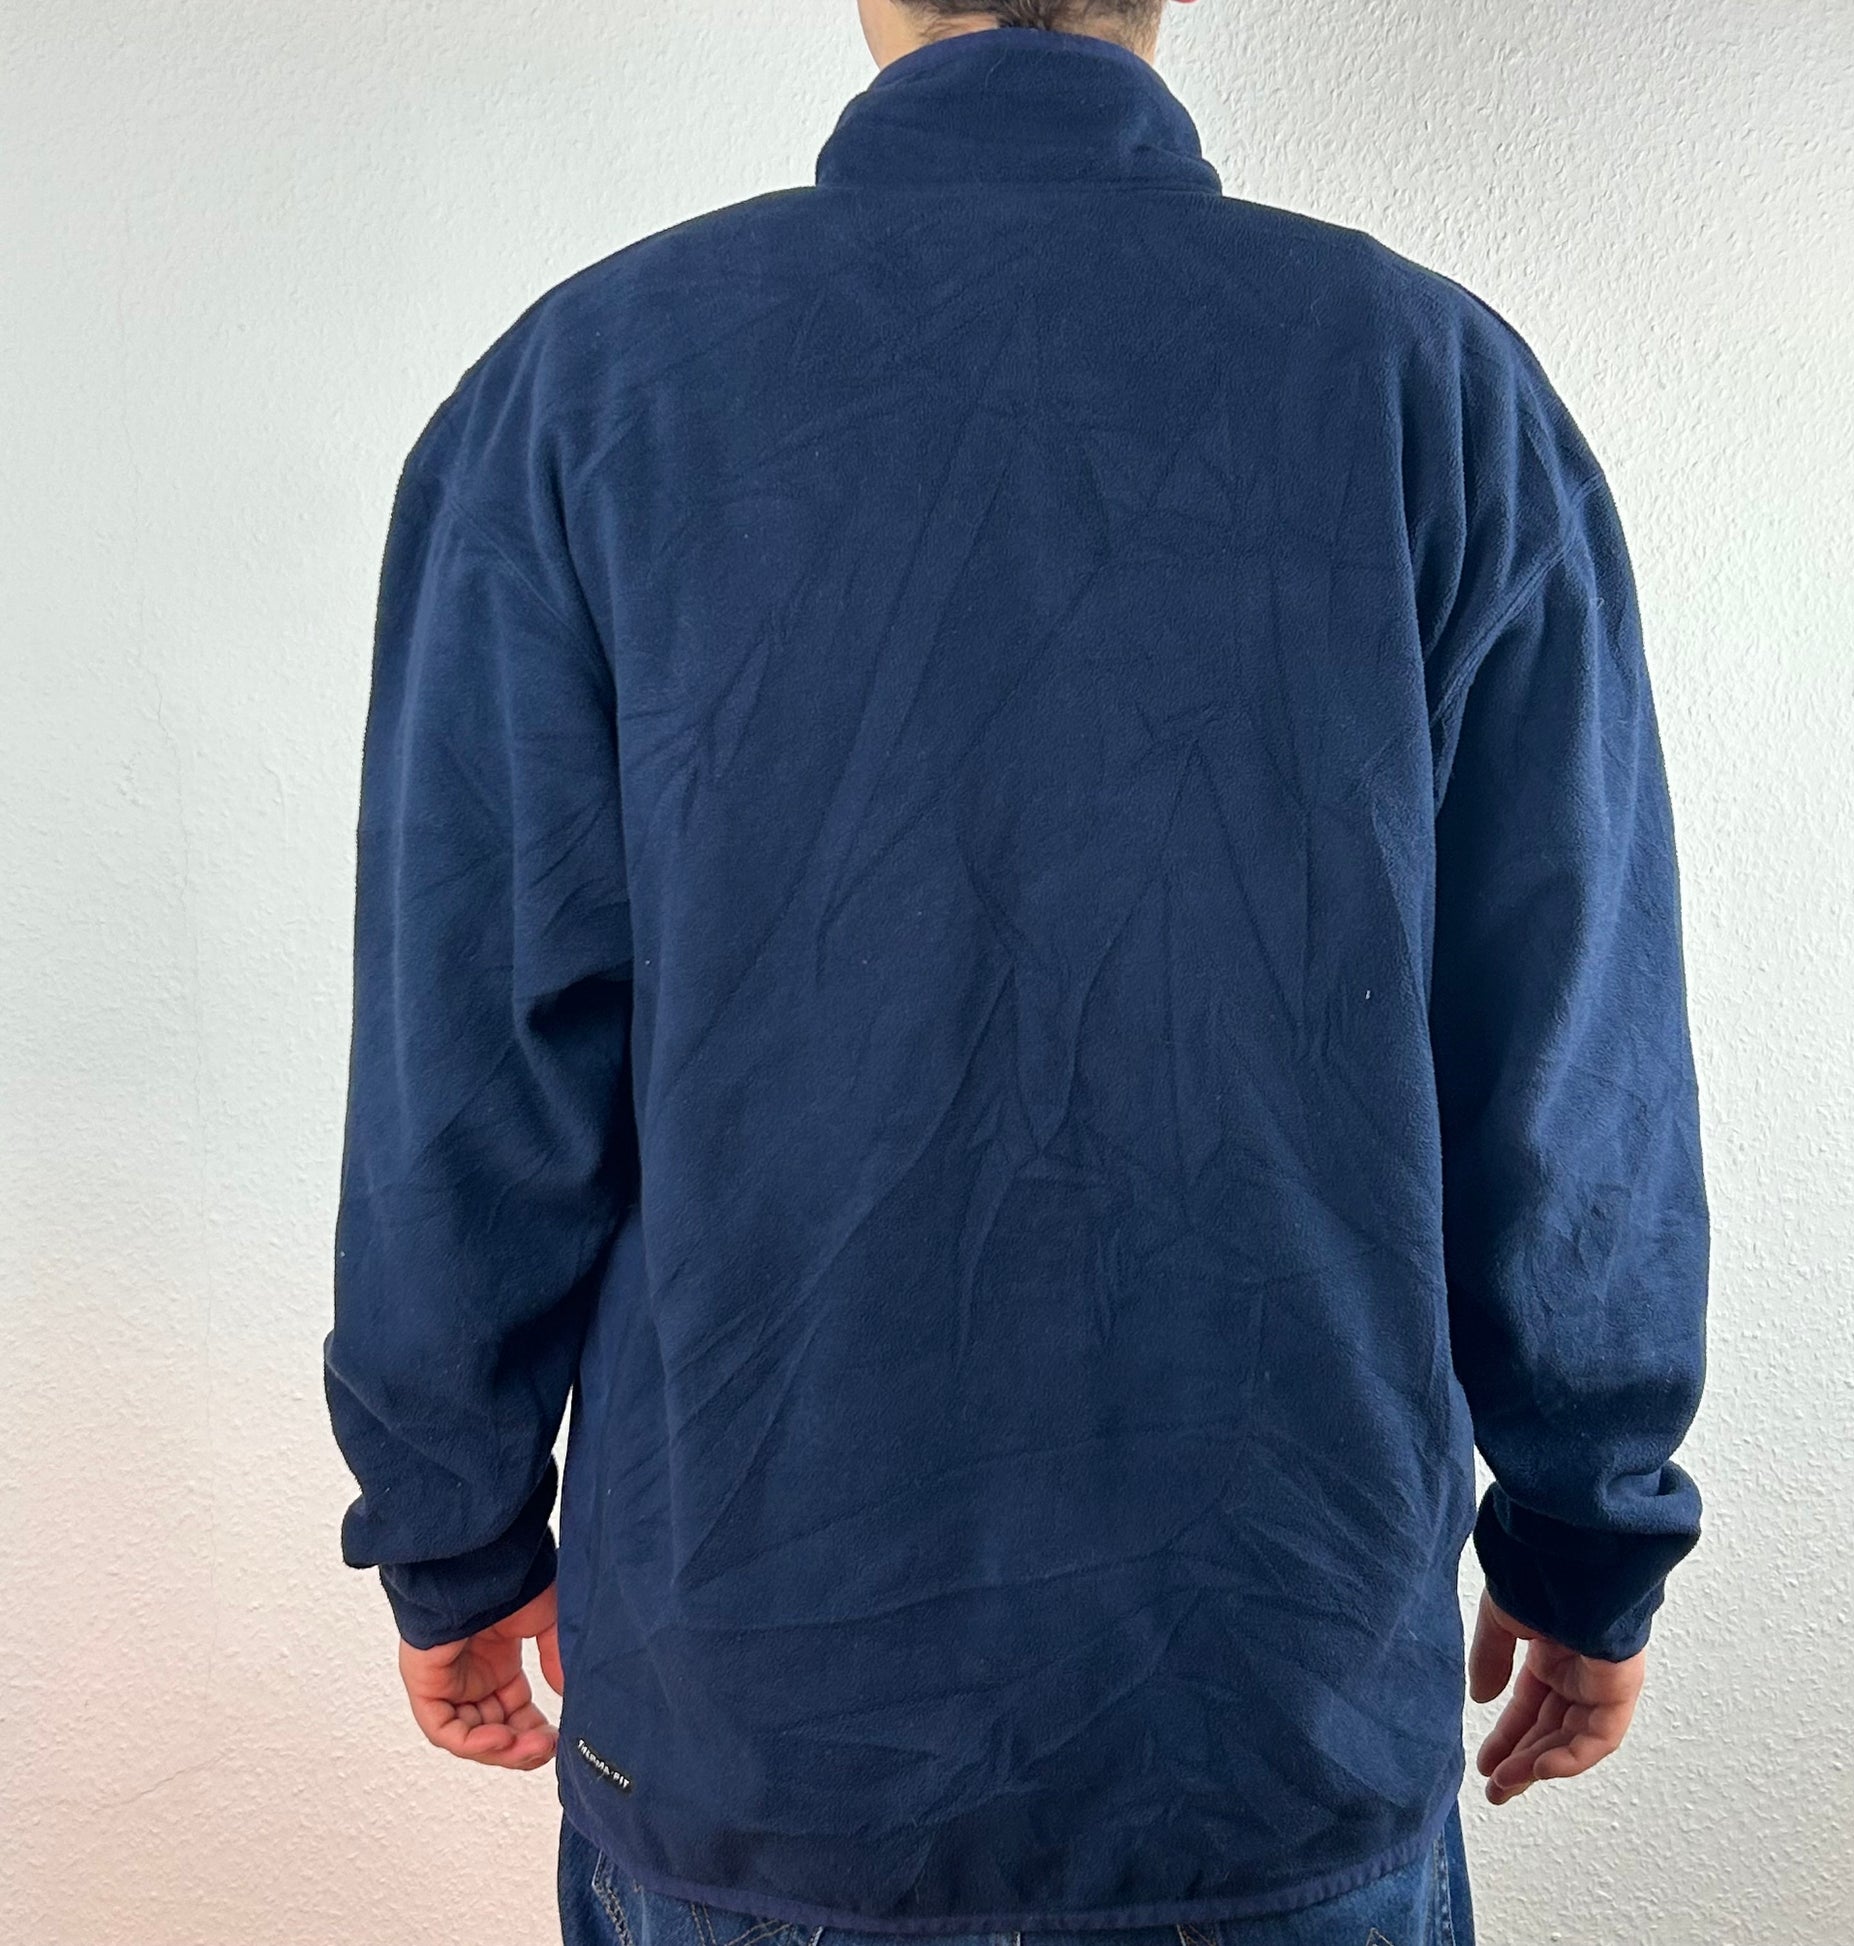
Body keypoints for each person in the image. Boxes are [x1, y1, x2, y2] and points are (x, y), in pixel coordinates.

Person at [322, 2, 1711, 1942]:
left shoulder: (581, 395)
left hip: (760, 1721)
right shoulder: (1435, 390)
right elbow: (1563, 1056)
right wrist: (1585, 1531)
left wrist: (454, 1533)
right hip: (1269, 1706)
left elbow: (467, 1066)